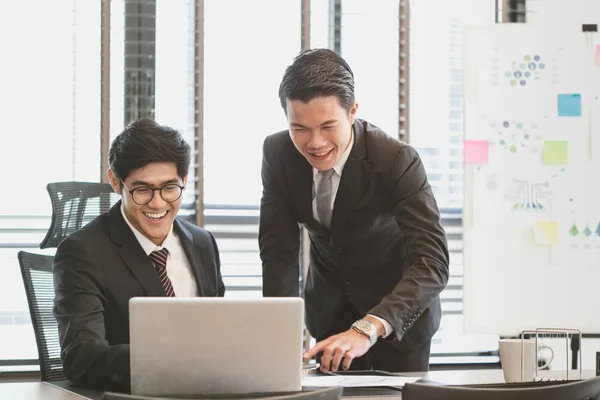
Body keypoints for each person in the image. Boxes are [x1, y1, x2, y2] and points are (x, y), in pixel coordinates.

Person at [259, 49, 449, 374]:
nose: (314, 142)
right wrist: (280, 338)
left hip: (398, 320)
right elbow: (279, 253)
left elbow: (432, 262)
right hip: (329, 315)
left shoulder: (396, 160)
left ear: (352, 112)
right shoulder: (278, 153)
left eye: (327, 126)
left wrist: (369, 327)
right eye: (299, 128)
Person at [53, 118, 225, 391]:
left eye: (170, 188)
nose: (157, 204)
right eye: (142, 190)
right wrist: (175, 359)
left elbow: (218, 331)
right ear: (115, 182)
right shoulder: (83, 253)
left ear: (184, 179)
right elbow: (82, 357)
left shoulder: (202, 243)